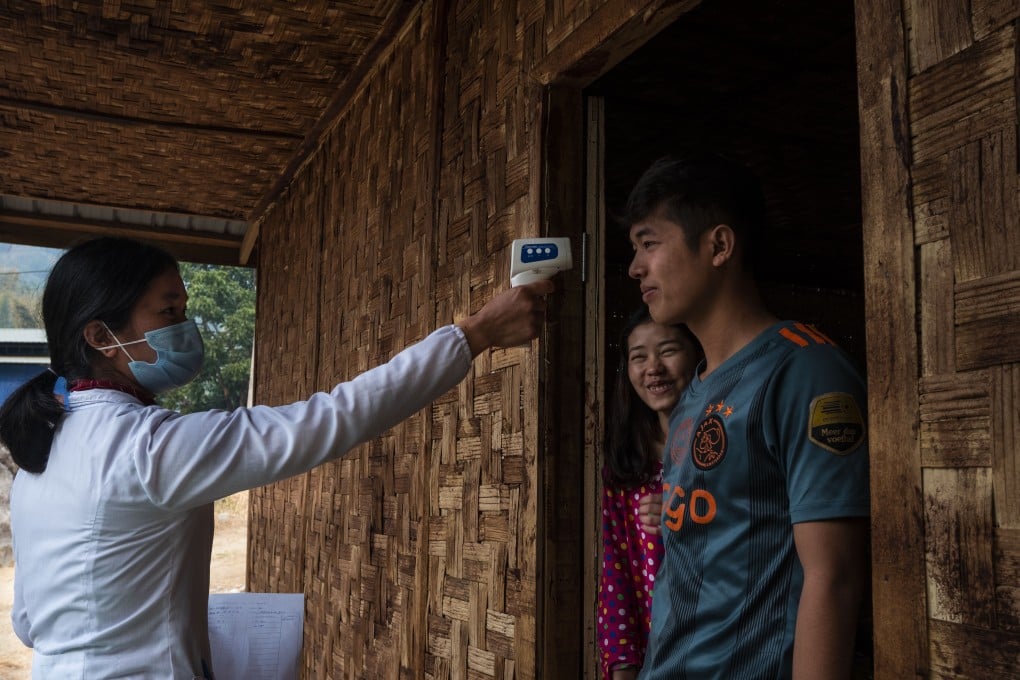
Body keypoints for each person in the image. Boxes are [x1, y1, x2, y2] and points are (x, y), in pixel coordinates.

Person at [4, 236, 553, 679]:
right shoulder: (148, 449)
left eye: (185, 309)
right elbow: (334, 418)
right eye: (168, 311)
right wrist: (474, 334)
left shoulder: (40, 459)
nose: (185, 327)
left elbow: (29, 624)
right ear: (101, 336)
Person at [624, 152, 870, 679]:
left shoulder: (804, 370)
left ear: (718, 246)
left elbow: (834, 576)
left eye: (649, 244)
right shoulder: (694, 392)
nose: (635, 267)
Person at [598, 307, 701, 680]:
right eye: (639, 357)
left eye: (668, 350)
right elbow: (616, 577)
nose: (653, 367)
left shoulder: (722, 450)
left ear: (697, 354)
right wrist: (624, 667)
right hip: (655, 661)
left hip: (723, 652)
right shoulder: (626, 469)